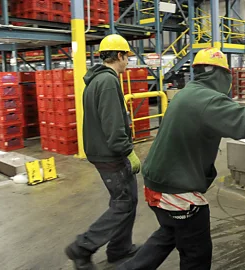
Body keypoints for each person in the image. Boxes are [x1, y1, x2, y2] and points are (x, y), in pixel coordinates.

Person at [118, 47, 245, 270]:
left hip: (158, 184)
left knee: (168, 235)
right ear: (221, 75)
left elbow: (227, 118)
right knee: (197, 253)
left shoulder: (190, 92)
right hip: (177, 191)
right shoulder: (207, 100)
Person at [65, 34, 141, 270]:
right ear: (119, 55)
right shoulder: (108, 81)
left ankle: (119, 248)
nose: (127, 62)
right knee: (123, 203)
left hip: (103, 152)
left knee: (128, 200)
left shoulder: (97, 80)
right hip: (111, 155)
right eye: (127, 57)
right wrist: (127, 151)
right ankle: (82, 247)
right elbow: (113, 124)